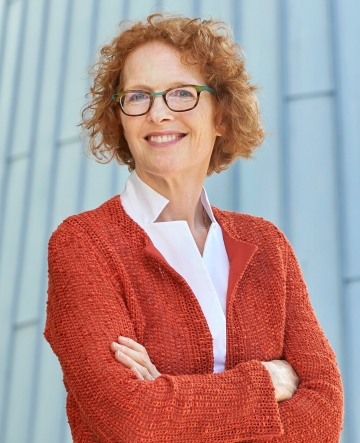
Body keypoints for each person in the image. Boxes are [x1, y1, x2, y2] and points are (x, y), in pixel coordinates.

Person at [44, 13, 344, 443]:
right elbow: (130, 418)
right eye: (138, 97)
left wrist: (167, 397)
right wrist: (264, 384)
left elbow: (323, 416)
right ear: (121, 120)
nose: (158, 113)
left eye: (182, 93)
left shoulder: (267, 245)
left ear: (222, 116)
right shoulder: (83, 244)